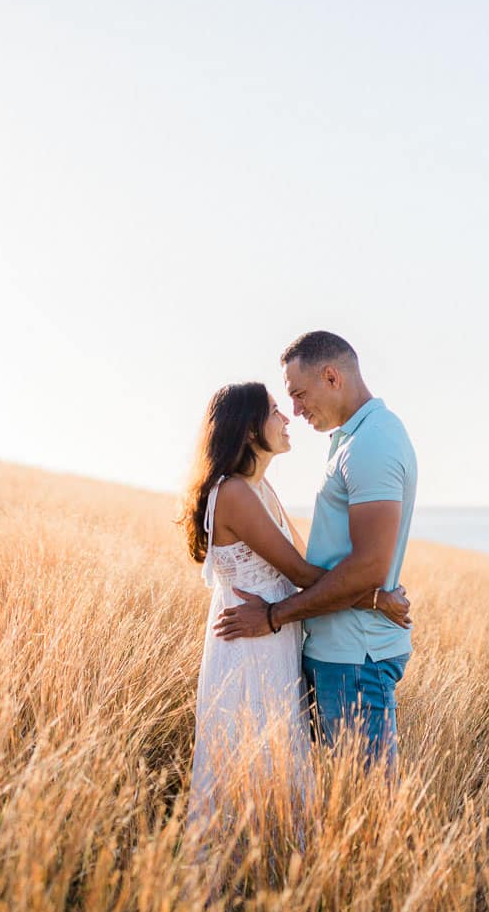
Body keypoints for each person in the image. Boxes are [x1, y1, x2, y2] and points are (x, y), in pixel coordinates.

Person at [179, 381, 409, 831]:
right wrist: (377, 598)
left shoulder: (259, 490)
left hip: (273, 641)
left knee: (277, 765)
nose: (288, 418)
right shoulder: (234, 493)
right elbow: (303, 577)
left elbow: (302, 569)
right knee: (252, 765)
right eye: (274, 412)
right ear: (248, 430)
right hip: (250, 648)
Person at [215, 331, 417, 774]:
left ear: (331, 376)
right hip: (337, 653)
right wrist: (378, 598)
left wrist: (273, 616)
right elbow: (321, 567)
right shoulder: (349, 441)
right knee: (335, 798)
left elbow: (367, 566)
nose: (296, 410)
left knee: (367, 807)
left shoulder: (372, 443)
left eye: (299, 395)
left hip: (355, 658)